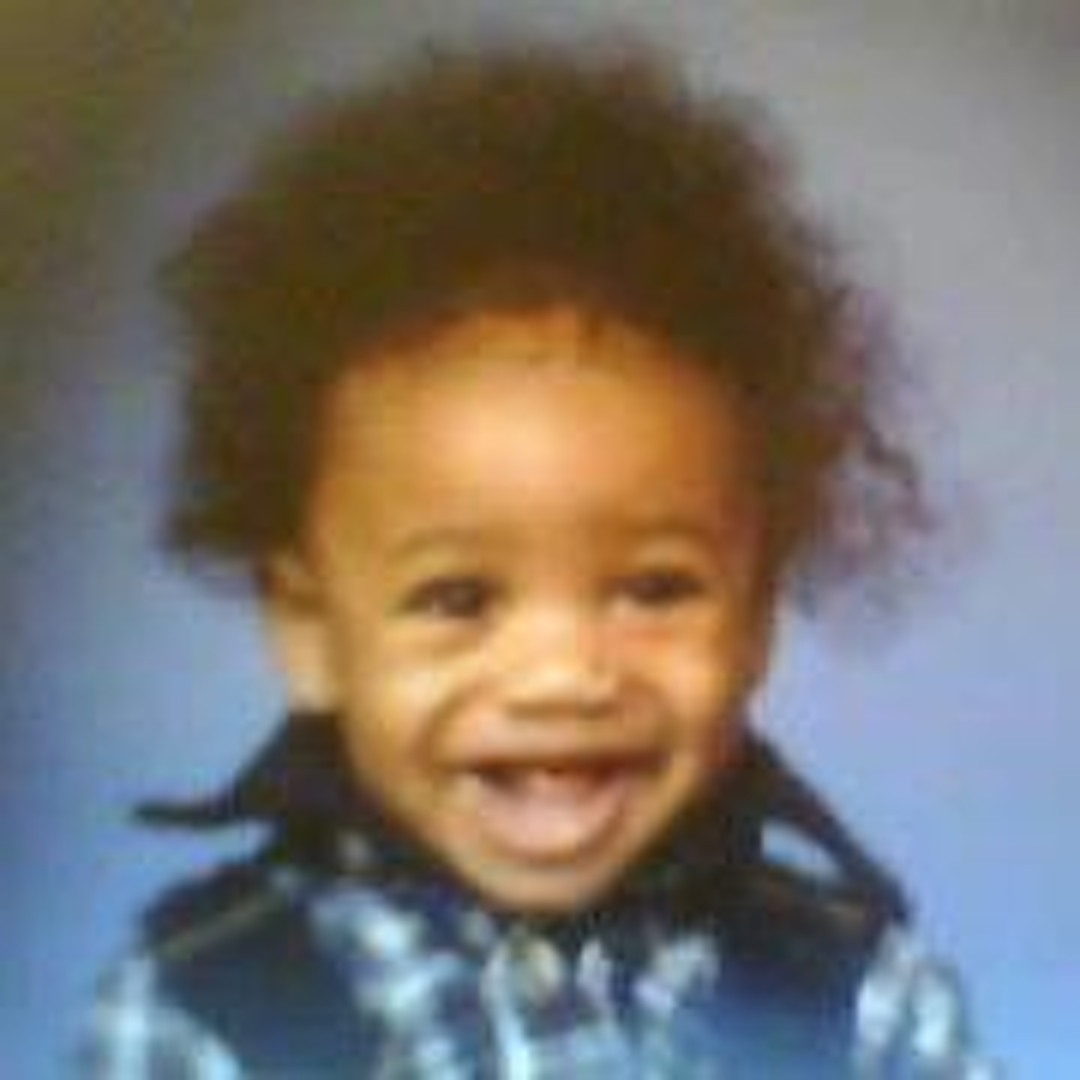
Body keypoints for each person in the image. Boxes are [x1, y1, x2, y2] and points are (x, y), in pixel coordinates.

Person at [78, 41, 1000, 1078]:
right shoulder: (208, 1019)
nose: (563, 676)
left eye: (654, 588)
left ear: (757, 617)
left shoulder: (862, 1007)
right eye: (458, 597)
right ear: (309, 630)